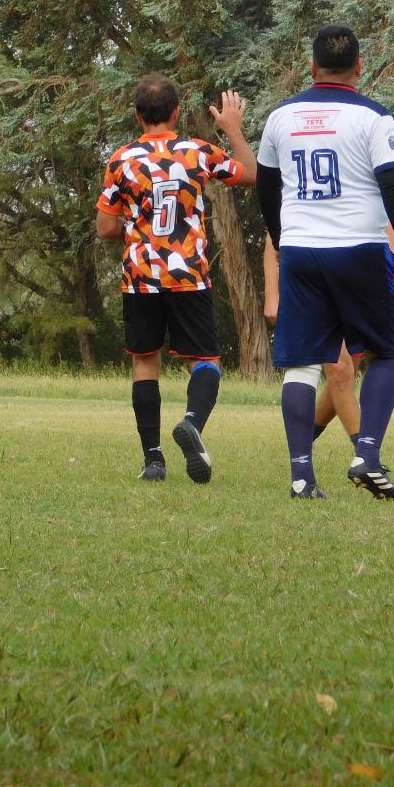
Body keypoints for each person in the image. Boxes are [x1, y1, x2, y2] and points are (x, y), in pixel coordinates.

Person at [255, 24, 394, 500]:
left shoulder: (280, 117)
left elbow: (266, 185)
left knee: (302, 365)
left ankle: (302, 475)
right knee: (386, 352)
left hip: (302, 250)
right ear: (359, 68)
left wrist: (284, 240)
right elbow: (393, 183)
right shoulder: (373, 117)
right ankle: (366, 453)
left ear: (312, 67)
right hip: (360, 248)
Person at [95, 75, 256, 483]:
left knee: (145, 363)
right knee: (207, 360)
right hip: (188, 275)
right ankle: (191, 423)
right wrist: (232, 130)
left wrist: (136, 230)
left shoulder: (121, 160)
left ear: (136, 115)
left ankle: (153, 460)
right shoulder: (196, 151)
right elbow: (251, 174)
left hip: (141, 277)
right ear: (177, 112)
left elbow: (105, 228)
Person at [262, 222, 394, 451]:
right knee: (339, 369)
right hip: (316, 283)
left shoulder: (377, 199)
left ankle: (308, 440)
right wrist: (272, 295)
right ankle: (364, 453)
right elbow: (273, 235)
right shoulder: (309, 194)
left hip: (360, 293)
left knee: (344, 373)